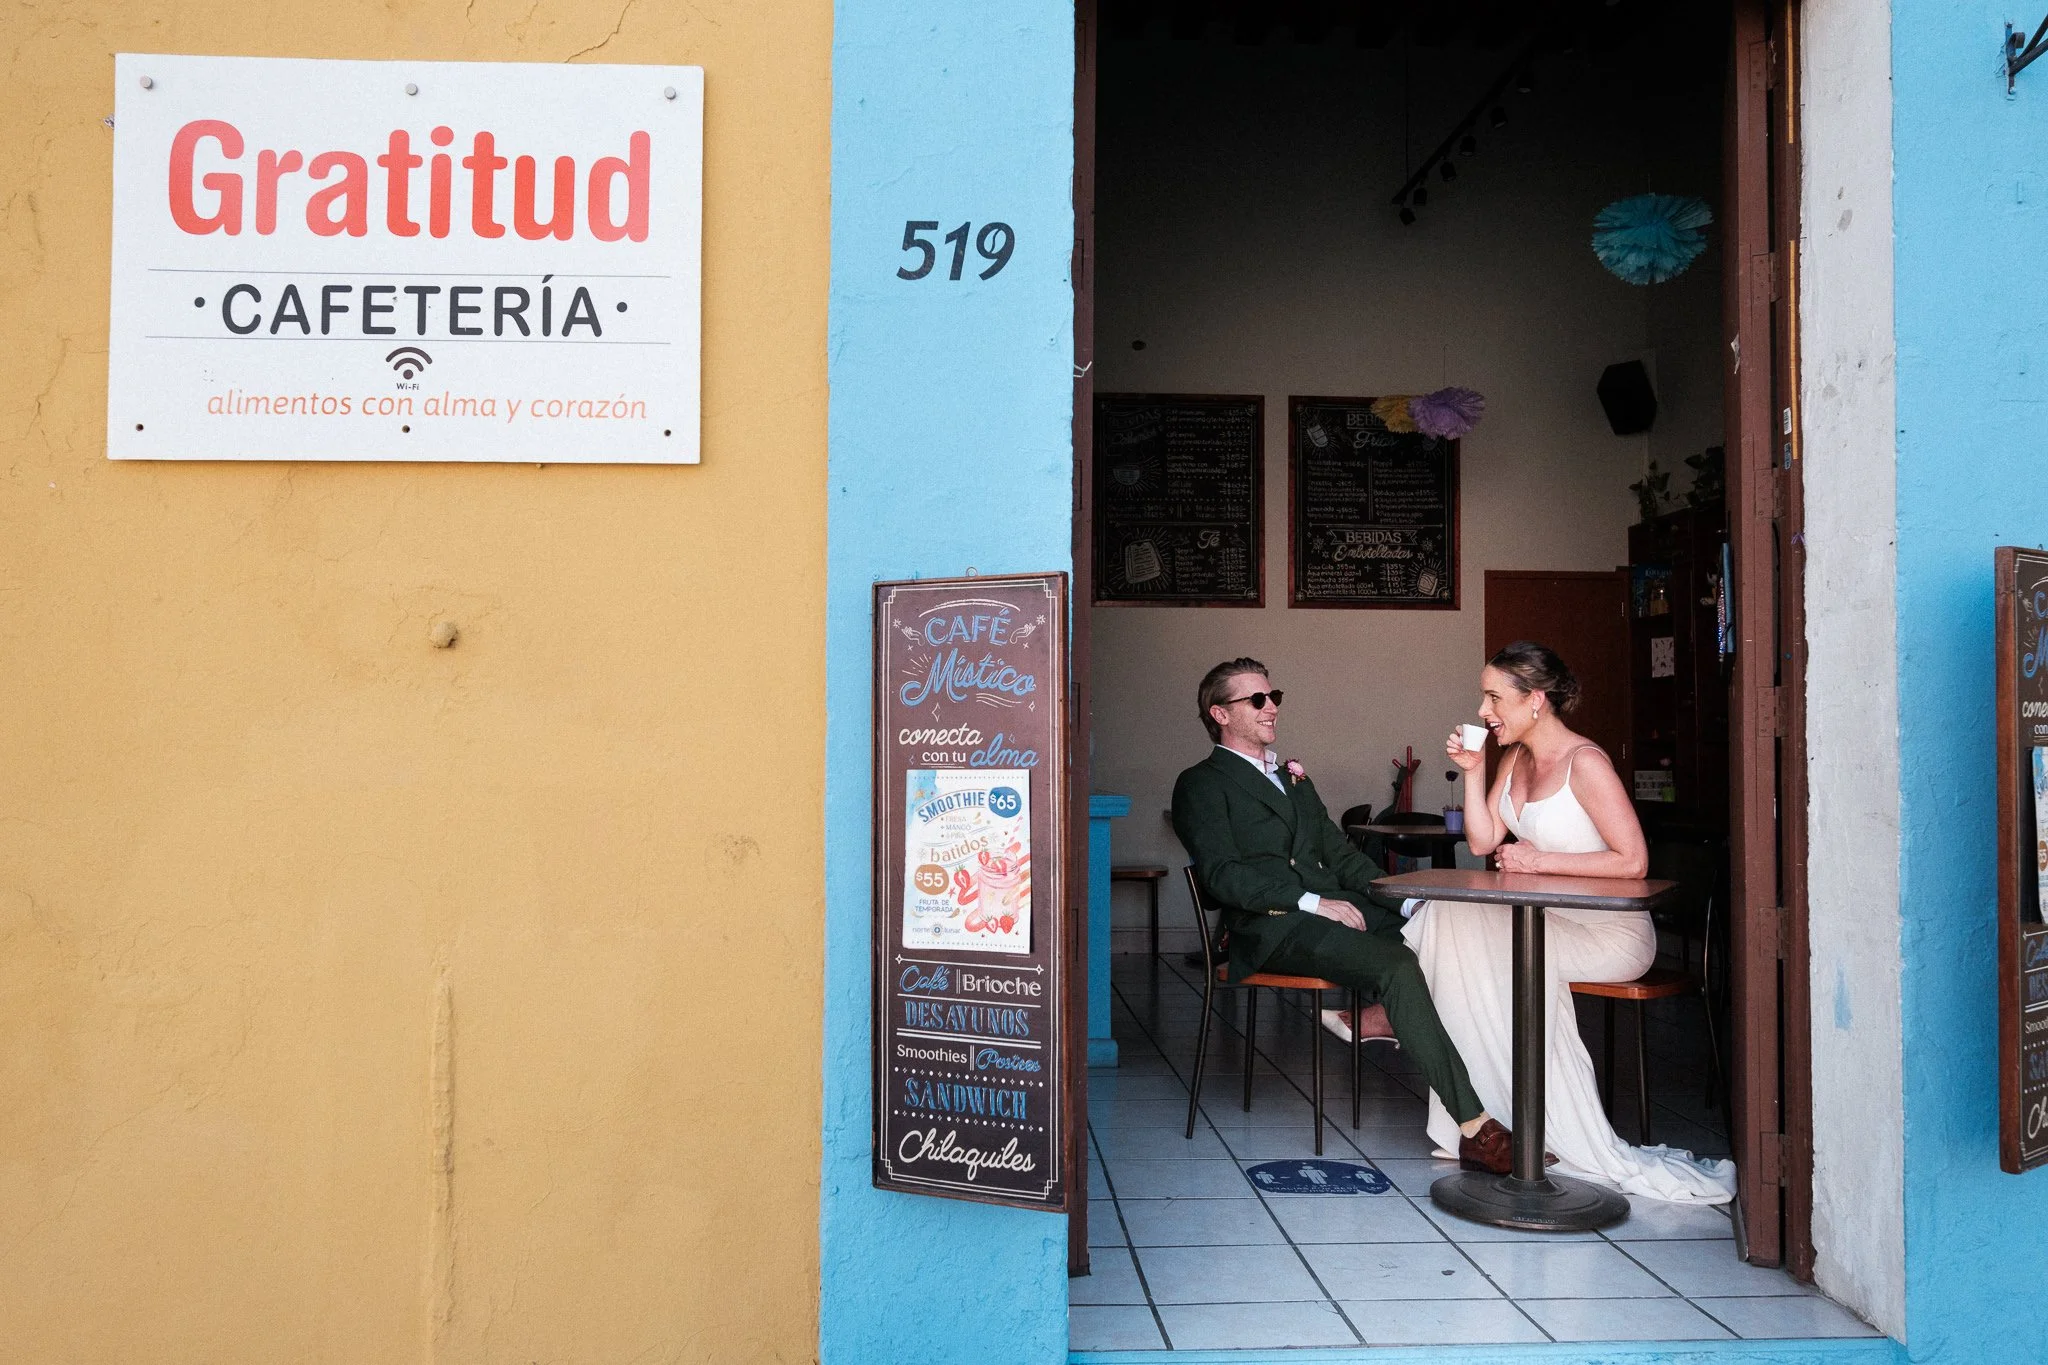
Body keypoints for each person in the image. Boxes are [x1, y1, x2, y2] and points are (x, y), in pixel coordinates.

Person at [1407, 640, 1736, 1203]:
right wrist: (1475, 767)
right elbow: (1484, 839)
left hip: (1609, 934)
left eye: (1493, 698)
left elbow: (1633, 862)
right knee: (1452, 914)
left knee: (1463, 928)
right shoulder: (1513, 758)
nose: (1484, 711)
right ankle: (1485, 1119)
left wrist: (1539, 860)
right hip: (1543, 923)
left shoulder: (1587, 763)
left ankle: (1412, 1019)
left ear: (1535, 700)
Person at [1171, 656, 1519, 1175]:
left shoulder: (1293, 778)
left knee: (1451, 932)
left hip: (1336, 909)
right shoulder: (1201, 783)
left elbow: (1342, 857)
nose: (1272, 709)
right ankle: (1475, 1127)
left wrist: (1406, 902)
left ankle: (1376, 1023)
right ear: (1220, 714)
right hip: (1274, 925)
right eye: (1257, 700)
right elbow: (1222, 876)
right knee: (1396, 966)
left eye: (1274, 697)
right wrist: (1312, 903)